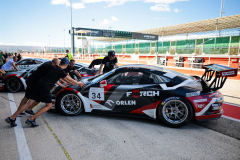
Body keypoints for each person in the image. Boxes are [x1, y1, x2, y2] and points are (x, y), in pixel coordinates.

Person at [5, 58, 86, 127]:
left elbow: (62, 78)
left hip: (38, 84)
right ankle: (31, 119)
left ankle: (11, 118)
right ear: (65, 65)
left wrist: (69, 83)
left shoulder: (54, 68)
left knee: (30, 103)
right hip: (44, 86)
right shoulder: (60, 70)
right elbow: (68, 78)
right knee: (49, 105)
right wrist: (78, 83)